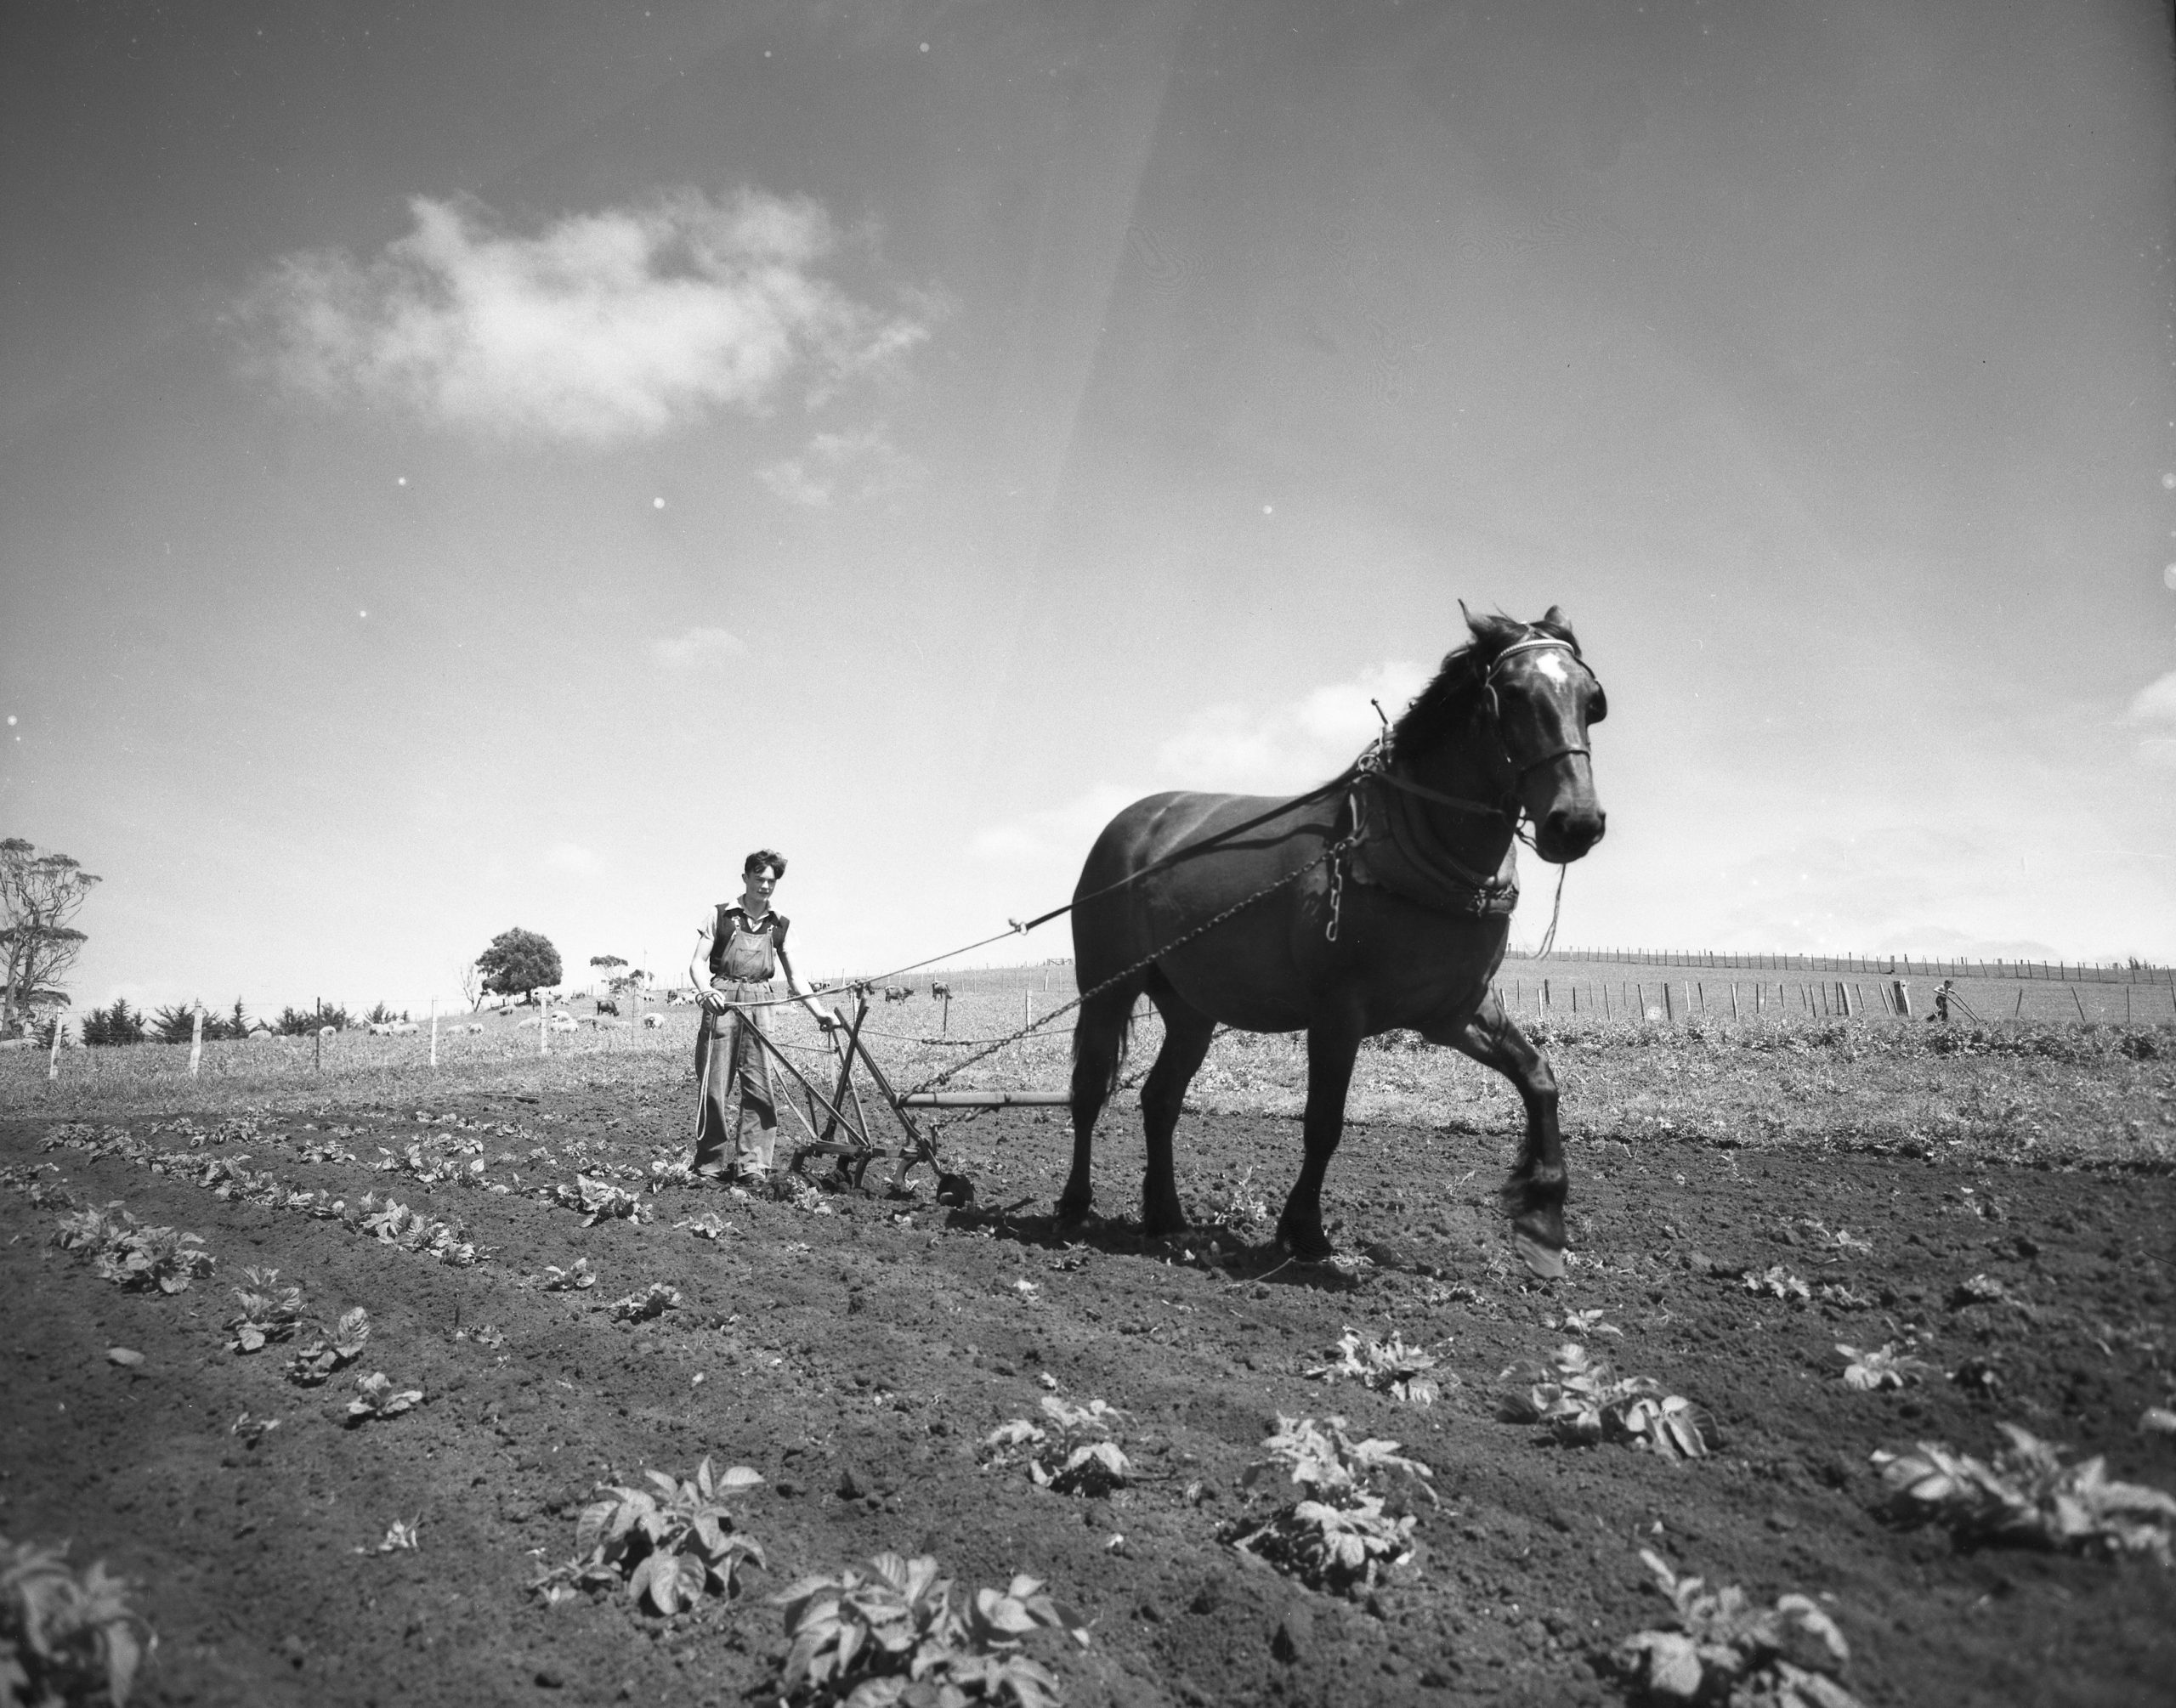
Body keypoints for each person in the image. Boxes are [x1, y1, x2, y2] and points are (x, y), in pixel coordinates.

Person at [688, 849, 840, 1181]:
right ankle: (710, 1164)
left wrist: (819, 1013)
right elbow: (697, 963)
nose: (765, 886)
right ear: (746, 878)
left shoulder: (781, 924)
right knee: (714, 1087)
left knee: (759, 1086)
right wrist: (706, 991)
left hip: (761, 1003)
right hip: (722, 1000)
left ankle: (753, 1165)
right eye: (759, 879)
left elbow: (796, 977)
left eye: (771, 881)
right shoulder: (721, 915)